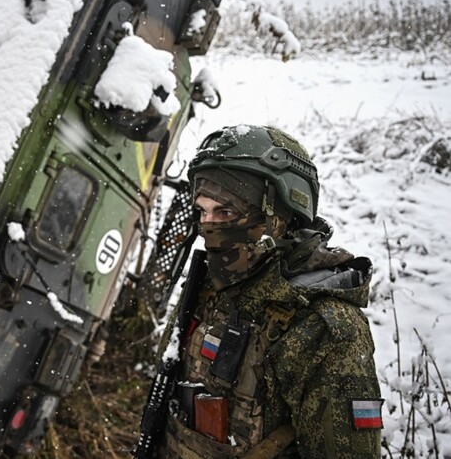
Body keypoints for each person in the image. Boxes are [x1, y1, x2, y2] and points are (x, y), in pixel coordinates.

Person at [155, 124, 382, 458]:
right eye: (202, 212)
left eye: (227, 211)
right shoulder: (213, 289)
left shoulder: (325, 331)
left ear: (282, 215)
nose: (210, 228)